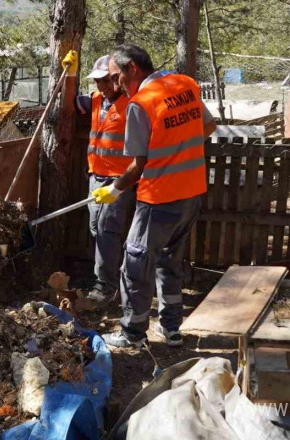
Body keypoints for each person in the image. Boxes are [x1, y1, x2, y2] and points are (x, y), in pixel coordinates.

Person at [92, 44, 217, 348]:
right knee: (169, 261)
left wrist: (113, 190)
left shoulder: (141, 104)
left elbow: (137, 166)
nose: (116, 83)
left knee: (133, 266)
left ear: (132, 68)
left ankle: (132, 333)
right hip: (191, 194)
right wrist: (177, 150)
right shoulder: (184, 84)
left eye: (116, 75)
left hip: (159, 198)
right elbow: (209, 126)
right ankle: (172, 330)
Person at [61, 51, 136, 306]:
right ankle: (111, 277)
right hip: (96, 176)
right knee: (96, 227)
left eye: (106, 81)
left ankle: (105, 287)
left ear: (117, 78)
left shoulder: (131, 103)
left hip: (120, 180)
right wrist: (70, 73)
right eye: (97, 82)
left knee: (107, 230)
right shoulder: (94, 100)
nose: (101, 86)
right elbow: (68, 102)